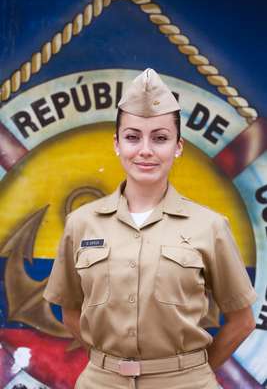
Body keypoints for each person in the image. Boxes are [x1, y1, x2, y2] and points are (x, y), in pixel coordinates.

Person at [44, 68, 257, 389]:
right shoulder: (82, 224)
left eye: (160, 138)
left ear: (178, 146)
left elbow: (242, 321)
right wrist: (111, 364)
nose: (145, 150)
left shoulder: (210, 227)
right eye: (132, 137)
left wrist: (190, 372)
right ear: (116, 144)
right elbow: (69, 310)